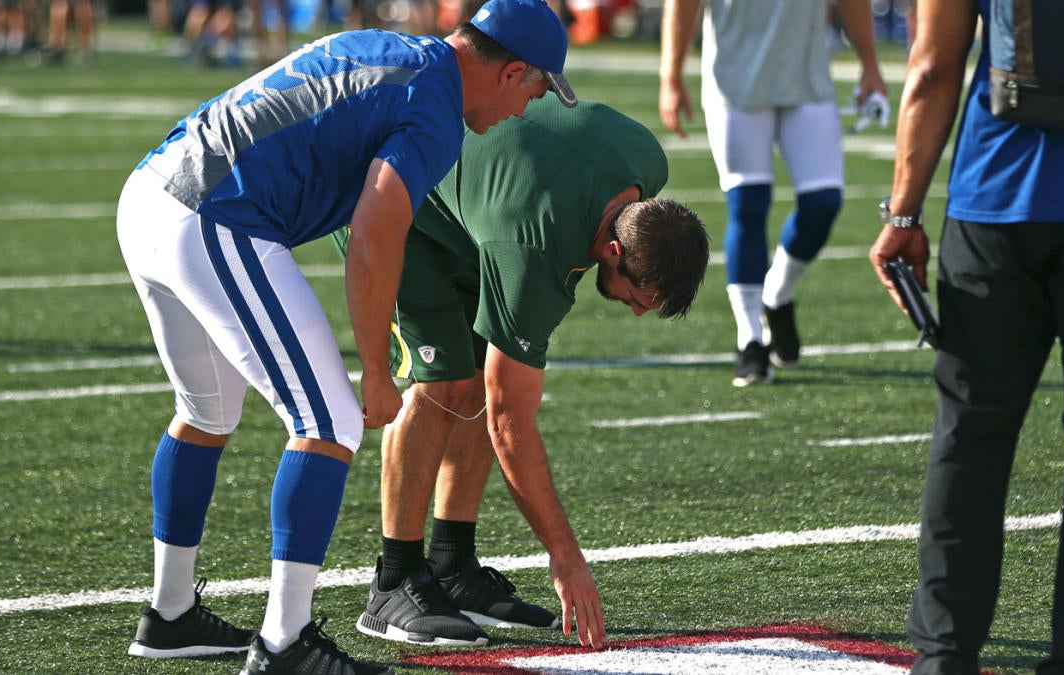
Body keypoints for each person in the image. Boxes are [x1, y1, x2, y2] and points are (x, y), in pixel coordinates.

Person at [115, 1, 577, 672]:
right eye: (536, 87)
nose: (528, 107)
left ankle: (170, 614)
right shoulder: (437, 103)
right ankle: (284, 643)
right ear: (512, 71)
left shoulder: (390, 47)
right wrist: (377, 368)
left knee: (207, 411)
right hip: (213, 213)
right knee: (329, 420)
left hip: (153, 191)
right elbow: (377, 226)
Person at [331, 96, 710, 649]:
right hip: (393, 201)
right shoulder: (536, 241)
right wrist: (566, 558)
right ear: (611, 248)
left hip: (470, 214)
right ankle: (393, 582)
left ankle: (452, 565)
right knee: (441, 383)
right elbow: (509, 422)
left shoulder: (645, 164)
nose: (633, 310)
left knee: (485, 369)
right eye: (638, 297)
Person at [868, 1, 1064, 673]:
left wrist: (904, 211)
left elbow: (932, 67)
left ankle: (946, 651)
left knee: (970, 431)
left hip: (997, 199)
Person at [658, 0, 887, 386]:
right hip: (735, 83)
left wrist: (871, 65)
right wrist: (671, 76)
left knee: (823, 203)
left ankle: (776, 295)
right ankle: (749, 338)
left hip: (807, 80)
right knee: (748, 204)